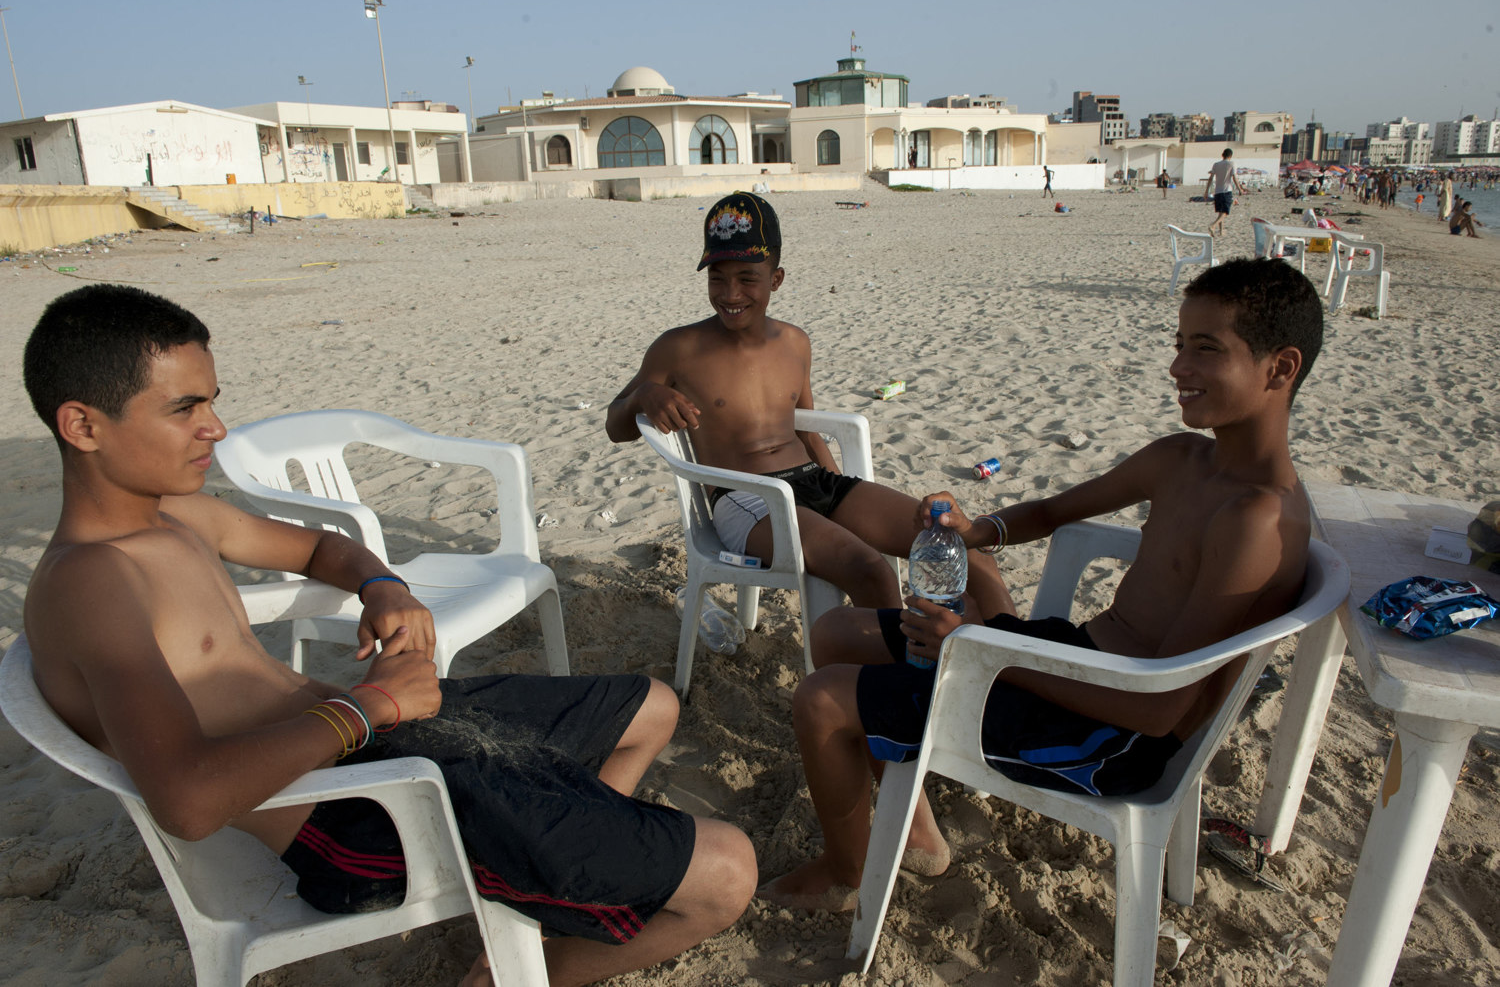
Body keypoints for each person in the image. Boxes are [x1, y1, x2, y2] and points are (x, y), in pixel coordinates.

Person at [21, 284, 756, 987]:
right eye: (184, 409)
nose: (214, 428)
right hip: (350, 821)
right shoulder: (92, 585)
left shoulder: (175, 516)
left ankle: (542, 882)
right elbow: (186, 799)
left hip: (378, 740)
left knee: (650, 707)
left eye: (213, 402)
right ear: (83, 425)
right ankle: (508, 965)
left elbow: (318, 548)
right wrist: (369, 708)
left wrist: (384, 589)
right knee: (726, 876)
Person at [760, 257, 1323, 910]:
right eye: (1178, 345)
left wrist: (979, 644)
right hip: (1074, 662)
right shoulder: (1183, 460)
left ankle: (844, 874)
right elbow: (1053, 513)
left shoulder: (1258, 519)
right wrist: (976, 532)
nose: (1178, 367)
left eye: (1206, 350)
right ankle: (910, 824)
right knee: (838, 632)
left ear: (1280, 368)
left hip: (1112, 736)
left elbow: (1158, 708)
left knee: (822, 700)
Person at [605, 192, 1011, 615]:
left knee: (966, 553)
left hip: (812, 480)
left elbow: (803, 428)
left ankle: (1005, 661)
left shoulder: (795, 341)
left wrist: (843, 498)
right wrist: (643, 395)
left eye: (747, 278)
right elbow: (615, 426)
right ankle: (883, 676)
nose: (731, 293)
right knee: (870, 570)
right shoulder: (679, 347)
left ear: (776, 279)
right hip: (745, 496)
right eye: (717, 279)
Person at [1204, 147, 1246, 237]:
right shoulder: (1231, 163)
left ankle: (1221, 231)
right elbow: (1234, 178)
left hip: (1218, 191)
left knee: (1221, 211)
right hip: (1227, 190)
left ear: (1223, 155)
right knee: (1225, 212)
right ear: (1230, 156)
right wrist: (1240, 189)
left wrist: (1206, 191)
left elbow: (1210, 178)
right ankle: (1213, 225)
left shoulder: (1216, 164)